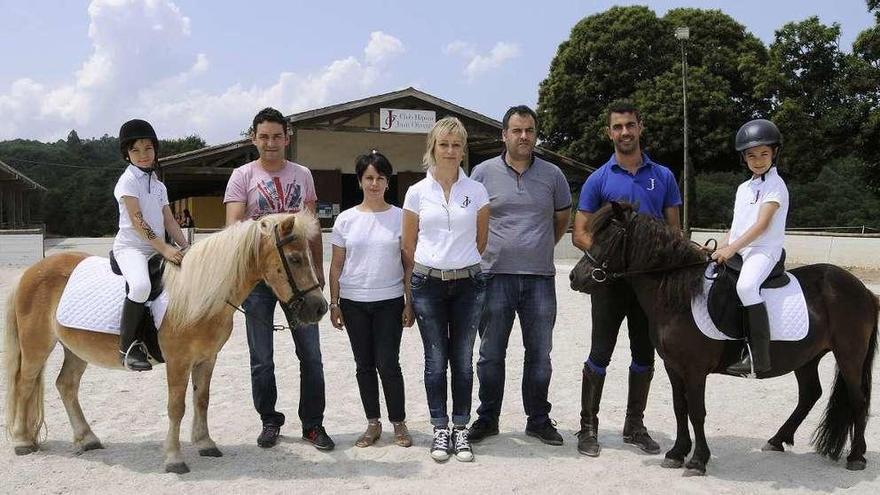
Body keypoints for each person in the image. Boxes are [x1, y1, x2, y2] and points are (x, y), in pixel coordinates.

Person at [571, 100, 681, 457]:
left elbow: (673, 232)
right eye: (617, 127)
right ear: (609, 132)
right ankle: (588, 428)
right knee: (599, 352)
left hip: (648, 285)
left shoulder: (662, 176)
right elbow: (580, 233)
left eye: (630, 125)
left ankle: (635, 426)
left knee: (644, 354)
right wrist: (612, 259)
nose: (624, 132)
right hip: (610, 283)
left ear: (640, 127)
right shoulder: (598, 179)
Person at [224, 107, 334, 451]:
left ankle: (313, 425)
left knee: (311, 355)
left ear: (287, 138)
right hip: (259, 281)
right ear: (253, 138)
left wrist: (316, 272)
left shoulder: (302, 175)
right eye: (263, 136)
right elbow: (234, 229)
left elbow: (312, 230)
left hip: (298, 279)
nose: (270, 143)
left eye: (277, 136)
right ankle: (269, 420)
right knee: (262, 358)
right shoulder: (242, 176)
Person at [467, 105, 571, 446]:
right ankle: (487, 418)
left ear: (535, 134)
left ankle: (538, 419)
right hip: (494, 276)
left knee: (540, 354)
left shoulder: (553, 175)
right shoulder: (481, 173)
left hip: (540, 278)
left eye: (529, 130)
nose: (524, 136)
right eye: (517, 130)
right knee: (491, 353)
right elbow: (473, 222)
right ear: (504, 134)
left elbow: (561, 220)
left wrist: (537, 247)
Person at [402, 116, 490, 463]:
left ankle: (461, 428)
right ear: (433, 148)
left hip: (469, 284)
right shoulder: (416, 192)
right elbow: (408, 245)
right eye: (444, 144)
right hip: (428, 285)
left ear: (463, 149)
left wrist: (459, 263)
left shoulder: (477, 191)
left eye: (456, 145)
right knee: (436, 360)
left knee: (463, 361)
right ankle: (440, 427)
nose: (450, 151)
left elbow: (481, 242)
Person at [328, 150, 415, 448]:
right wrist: (334, 302)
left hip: (390, 300)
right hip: (353, 303)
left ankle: (399, 423)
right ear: (360, 181)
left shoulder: (401, 217)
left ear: (387, 182)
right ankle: (372, 423)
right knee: (364, 364)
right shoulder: (345, 220)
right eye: (369, 178)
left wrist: (409, 300)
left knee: (388, 363)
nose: (374, 183)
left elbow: (408, 264)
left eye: (380, 178)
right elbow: (337, 265)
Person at [711, 119, 789, 376]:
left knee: (746, 286)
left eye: (764, 154)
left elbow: (762, 225)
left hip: (765, 250)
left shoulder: (776, 186)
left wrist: (731, 249)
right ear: (744, 158)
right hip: (743, 248)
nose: (758, 160)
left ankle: (759, 358)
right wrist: (721, 246)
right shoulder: (744, 187)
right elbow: (737, 225)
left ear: (774, 153)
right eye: (752, 155)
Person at [113, 119, 189, 371]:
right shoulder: (128, 181)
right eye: (135, 150)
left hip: (155, 247)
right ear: (127, 154)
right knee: (141, 285)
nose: (143, 155)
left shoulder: (158, 185)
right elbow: (137, 220)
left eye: (148, 149)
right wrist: (166, 249)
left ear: (155, 150)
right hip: (132, 248)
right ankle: (126, 349)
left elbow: (169, 220)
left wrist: (186, 246)